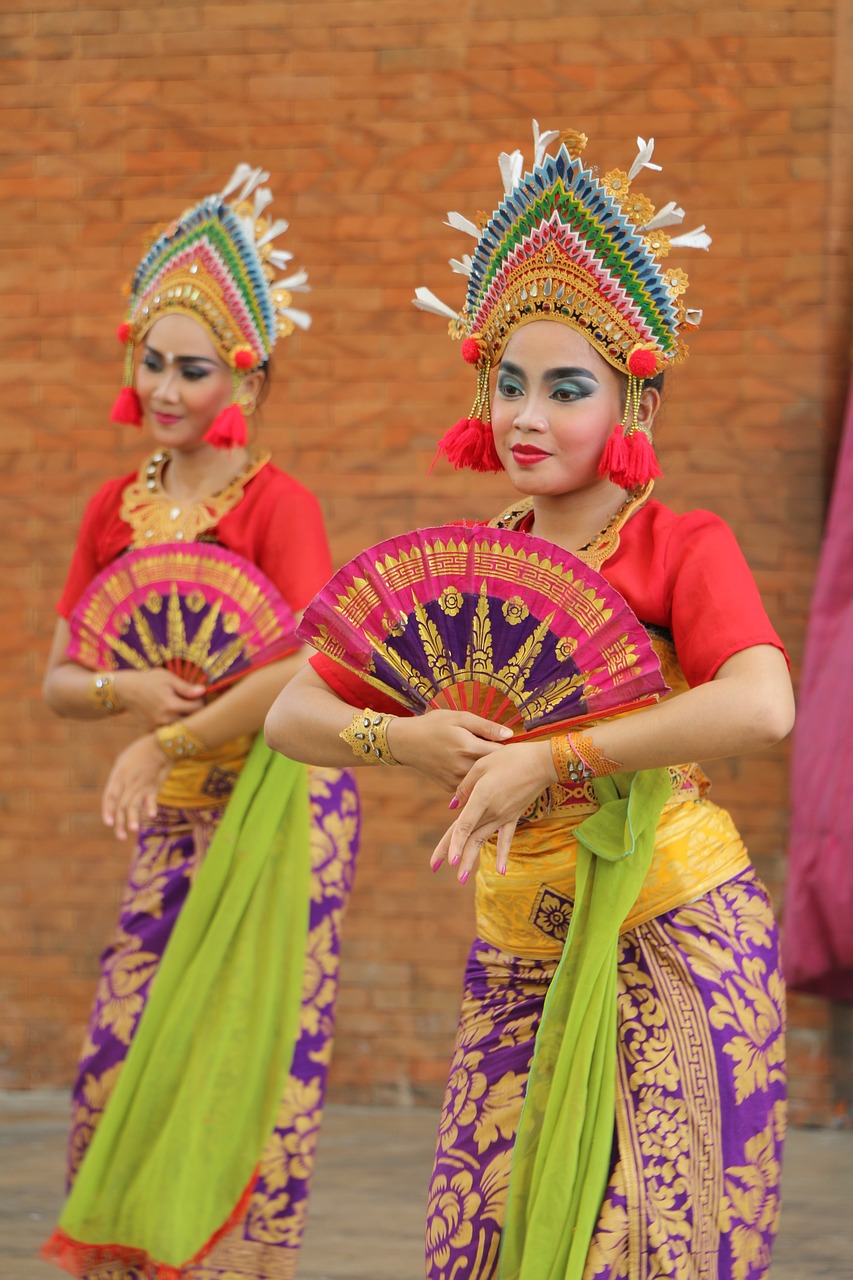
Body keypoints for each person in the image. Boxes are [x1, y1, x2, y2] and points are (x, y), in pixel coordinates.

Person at [265, 125, 794, 1279]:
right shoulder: (460, 574)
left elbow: (762, 703)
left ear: (630, 405)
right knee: (492, 1242)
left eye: (566, 389)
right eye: (508, 383)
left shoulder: (676, 542)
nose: (527, 415)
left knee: (640, 1247)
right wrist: (397, 734)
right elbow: (290, 716)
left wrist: (556, 760)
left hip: (670, 926)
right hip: (517, 946)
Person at [41, 165, 360, 1280]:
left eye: (193, 364)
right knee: (125, 1047)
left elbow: (304, 666)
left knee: (246, 1048)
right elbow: (57, 679)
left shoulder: (280, 506)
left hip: (279, 809)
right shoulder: (110, 510)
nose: (166, 384)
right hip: (176, 806)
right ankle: (132, 1254)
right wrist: (125, 695)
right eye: (151, 358)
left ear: (246, 376)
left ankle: (236, 1264)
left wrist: (166, 734)